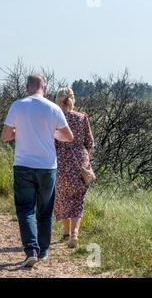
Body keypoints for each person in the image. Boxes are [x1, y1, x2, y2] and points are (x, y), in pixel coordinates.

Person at [1, 74, 74, 268]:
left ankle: (31, 250)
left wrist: (19, 131)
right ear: (45, 88)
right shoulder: (54, 108)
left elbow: (6, 136)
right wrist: (51, 133)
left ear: (27, 87)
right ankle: (43, 251)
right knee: (45, 210)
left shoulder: (17, 105)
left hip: (23, 164)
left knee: (25, 209)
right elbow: (68, 136)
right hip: (47, 166)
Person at [54, 87, 95, 248]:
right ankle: (74, 234)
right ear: (73, 99)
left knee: (62, 197)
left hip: (60, 162)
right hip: (80, 162)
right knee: (78, 199)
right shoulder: (82, 117)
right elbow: (89, 143)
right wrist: (84, 156)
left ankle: (65, 233)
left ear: (58, 100)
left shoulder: (54, 119)